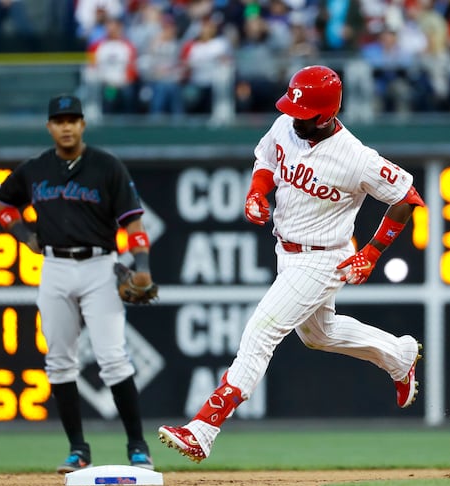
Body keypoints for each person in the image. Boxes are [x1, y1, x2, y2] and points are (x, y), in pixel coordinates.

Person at [158, 65, 425, 463]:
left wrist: (371, 253)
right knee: (318, 334)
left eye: (304, 114)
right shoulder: (287, 123)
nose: (294, 117)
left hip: (322, 258)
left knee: (261, 331)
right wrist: (256, 192)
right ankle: (397, 354)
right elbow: (265, 158)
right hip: (287, 251)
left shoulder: (356, 157)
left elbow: (407, 197)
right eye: (292, 109)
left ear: (326, 114)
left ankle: (204, 427)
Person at [0, 93, 156, 473]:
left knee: (113, 358)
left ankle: (138, 447)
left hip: (100, 266)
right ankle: (78, 450)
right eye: (59, 120)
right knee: (59, 362)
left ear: (82, 124)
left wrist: (142, 263)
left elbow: (132, 222)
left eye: (72, 119)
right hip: (54, 266)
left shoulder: (107, 167)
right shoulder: (35, 169)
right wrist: (22, 234)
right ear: (50, 127)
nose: (66, 126)